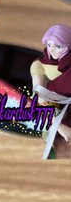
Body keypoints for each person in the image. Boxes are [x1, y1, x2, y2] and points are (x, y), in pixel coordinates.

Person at [30, 24, 71, 159]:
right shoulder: (39, 65)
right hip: (54, 107)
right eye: (49, 45)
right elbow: (40, 97)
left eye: (58, 46)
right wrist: (58, 125)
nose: (52, 50)